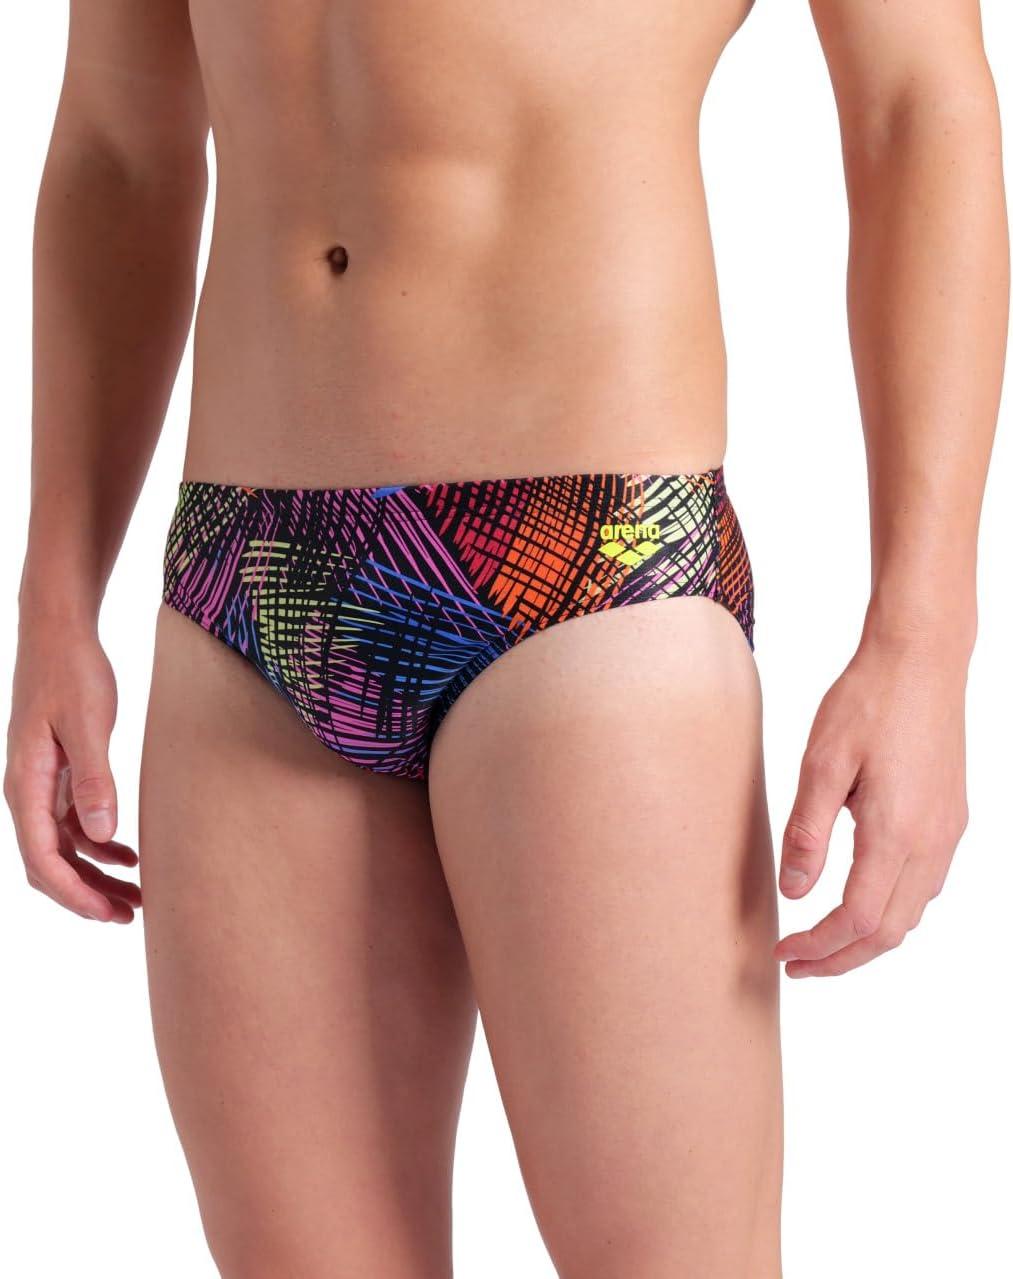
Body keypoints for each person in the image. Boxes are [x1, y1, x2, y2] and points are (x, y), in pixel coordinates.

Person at [5, 1, 1007, 1275]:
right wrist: (55, 595)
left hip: (588, 567)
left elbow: (916, 104)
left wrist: (922, 636)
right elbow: (119, 142)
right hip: (246, 579)